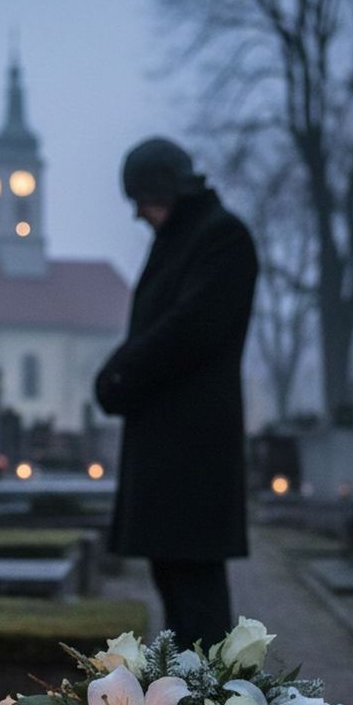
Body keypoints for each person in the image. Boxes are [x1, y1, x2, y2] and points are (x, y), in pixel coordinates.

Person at [95, 137, 257, 651]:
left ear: (167, 189)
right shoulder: (184, 237)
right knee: (175, 585)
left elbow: (190, 329)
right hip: (170, 445)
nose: (140, 214)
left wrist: (121, 372)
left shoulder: (220, 237)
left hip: (193, 448)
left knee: (198, 596)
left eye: (143, 199)